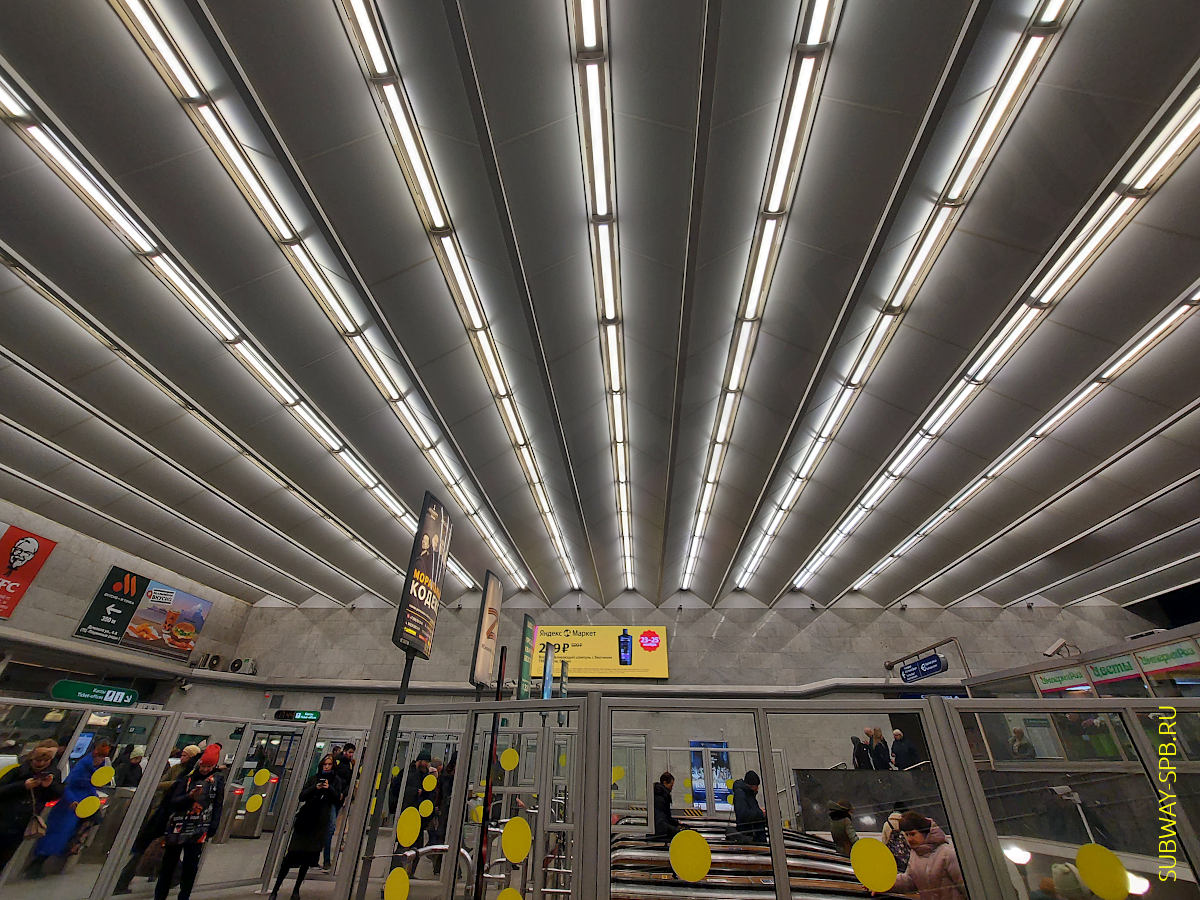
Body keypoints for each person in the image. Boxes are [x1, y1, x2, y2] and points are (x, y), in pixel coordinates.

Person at [113, 744, 201, 894]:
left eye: (186, 755)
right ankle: (125, 881)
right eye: (182, 754)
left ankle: (169, 877)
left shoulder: (191, 774)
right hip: (162, 811)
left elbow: (169, 785)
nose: (182, 757)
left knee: (159, 848)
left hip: (171, 814)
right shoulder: (177, 770)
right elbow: (165, 783)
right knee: (150, 848)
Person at [26, 738, 111, 877]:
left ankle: (41, 863)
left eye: (102, 757)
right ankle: (38, 863)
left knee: (63, 834)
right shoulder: (84, 767)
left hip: (79, 805)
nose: (100, 760)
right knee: (58, 834)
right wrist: (74, 800)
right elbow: (69, 786)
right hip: (70, 806)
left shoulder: (90, 768)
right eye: (99, 757)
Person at [155, 743, 224, 900]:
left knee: (190, 866)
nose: (205, 769)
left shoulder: (217, 781)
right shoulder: (187, 778)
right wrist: (189, 797)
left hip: (198, 829)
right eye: (203, 765)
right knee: (168, 866)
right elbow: (173, 801)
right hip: (178, 827)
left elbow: (218, 804)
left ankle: (184, 896)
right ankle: (160, 896)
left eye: (209, 766)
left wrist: (213, 825)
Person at [270, 755, 340, 899]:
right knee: (290, 856)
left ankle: (296, 889)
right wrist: (315, 788)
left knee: (307, 859)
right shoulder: (314, 779)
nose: (327, 767)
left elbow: (337, 798)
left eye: (330, 764)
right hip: (306, 820)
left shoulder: (335, 781)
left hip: (319, 823)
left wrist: (329, 788)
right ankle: (275, 888)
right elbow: (302, 796)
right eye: (325, 764)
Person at [0, 740, 62, 874]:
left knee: (5, 856)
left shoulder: (53, 775)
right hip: (5, 816)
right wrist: (23, 786)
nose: (40, 764)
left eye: (44, 761)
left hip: (22, 823)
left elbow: (55, 795)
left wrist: (48, 786)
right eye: (37, 761)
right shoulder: (18, 771)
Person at [892, 811, 965, 900]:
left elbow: (966, 887)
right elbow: (910, 881)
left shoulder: (947, 854)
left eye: (913, 834)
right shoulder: (915, 855)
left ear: (925, 832)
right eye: (906, 835)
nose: (909, 839)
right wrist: (883, 884)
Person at [731, 770, 766, 842]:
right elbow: (743, 815)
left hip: (754, 836)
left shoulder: (747, 794)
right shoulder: (741, 794)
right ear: (752, 785)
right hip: (750, 837)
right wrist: (760, 813)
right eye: (756, 786)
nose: (757, 789)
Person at [652, 772, 682, 839]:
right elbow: (660, 821)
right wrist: (675, 830)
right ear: (665, 783)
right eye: (671, 786)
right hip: (660, 835)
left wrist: (676, 822)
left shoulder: (661, 795)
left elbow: (665, 816)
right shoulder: (660, 798)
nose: (671, 789)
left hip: (660, 832)